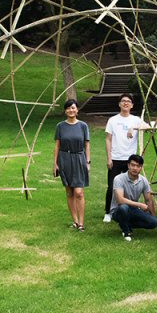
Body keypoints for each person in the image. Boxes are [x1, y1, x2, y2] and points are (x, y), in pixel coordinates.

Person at [104, 93, 145, 223]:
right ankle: (108, 212)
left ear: (132, 105)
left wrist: (134, 127)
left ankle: (130, 210)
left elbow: (149, 127)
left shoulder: (136, 119)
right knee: (112, 187)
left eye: (128, 101)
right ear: (119, 104)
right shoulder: (113, 120)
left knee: (130, 187)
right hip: (116, 158)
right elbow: (108, 139)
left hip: (131, 160)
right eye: (123, 101)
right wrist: (109, 158)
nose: (126, 103)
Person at [54, 98, 90, 231]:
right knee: (69, 191)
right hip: (64, 159)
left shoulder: (83, 126)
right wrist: (55, 164)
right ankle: (75, 221)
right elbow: (57, 145)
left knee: (79, 192)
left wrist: (88, 161)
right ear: (65, 111)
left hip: (79, 158)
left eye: (73, 107)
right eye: (68, 108)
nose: (71, 110)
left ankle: (81, 223)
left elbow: (87, 144)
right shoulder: (60, 126)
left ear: (77, 110)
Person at [110, 154, 157, 241]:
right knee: (123, 208)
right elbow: (120, 200)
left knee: (153, 223)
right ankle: (126, 232)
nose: (135, 168)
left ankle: (125, 223)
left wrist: (153, 216)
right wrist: (139, 204)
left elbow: (149, 200)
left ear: (141, 167)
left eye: (138, 166)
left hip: (133, 210)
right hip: (118, 210)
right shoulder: (119, 179)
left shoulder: (143, 180)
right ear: (128, 165)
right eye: (133, 165)